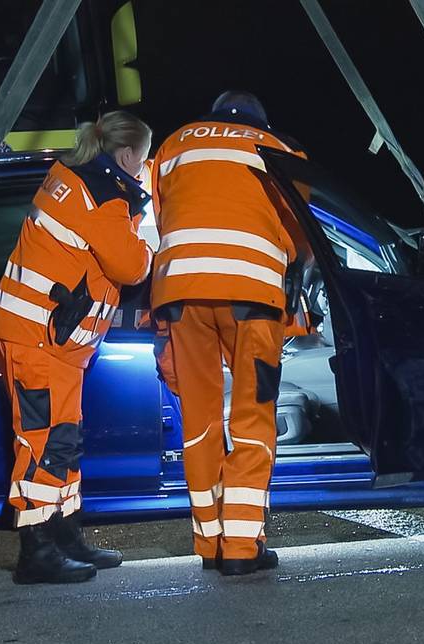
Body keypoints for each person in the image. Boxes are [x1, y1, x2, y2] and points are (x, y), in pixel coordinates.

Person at [0, 111, 153, 584]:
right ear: (126, 155)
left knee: (63, 439)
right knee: (41, 443)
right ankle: (36, 552)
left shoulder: (70, 174)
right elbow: (131, 266)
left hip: (46, 340)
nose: (142, 169)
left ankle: (65, 537)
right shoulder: (104, 197)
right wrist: (146, 236)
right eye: (141, 160)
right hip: (36, 338)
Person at [150, 91, 312, 576]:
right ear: (260, 120)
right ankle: (242, 547)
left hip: (180, 294)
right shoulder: (279, 149)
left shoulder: (175, 144)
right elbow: (299, 230)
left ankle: (209, 543)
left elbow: (160, 214)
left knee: (199, 420)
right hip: (252, 297)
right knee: (252, 417)